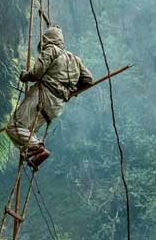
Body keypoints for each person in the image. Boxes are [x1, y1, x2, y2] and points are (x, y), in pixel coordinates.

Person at [6, 26, 93, 169]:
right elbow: (88, 80)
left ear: (48, 39)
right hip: (56, 106)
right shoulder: (75, 60)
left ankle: (38, 148)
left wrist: (24, 76)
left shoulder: (51, 50)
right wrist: (72, 93)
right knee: (28, 130)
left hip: (42, 95)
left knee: (14, 126)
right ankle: (33, 152)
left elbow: (37, 73)